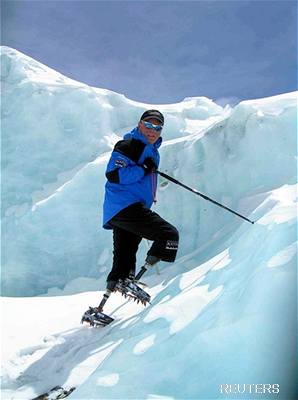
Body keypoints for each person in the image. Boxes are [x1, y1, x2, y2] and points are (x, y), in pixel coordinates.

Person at [102, 109, 179, 295]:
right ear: (139, 125)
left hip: (123, 208)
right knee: (168, 235)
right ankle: (138, 276)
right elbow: (114, 174)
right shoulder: (130, 145)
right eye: (149, 125)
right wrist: (144, 169)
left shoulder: (151, 151)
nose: (153, 130)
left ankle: (107, 298)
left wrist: (146, 168)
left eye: (158, 127)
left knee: (125, 254)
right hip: (126, 206)